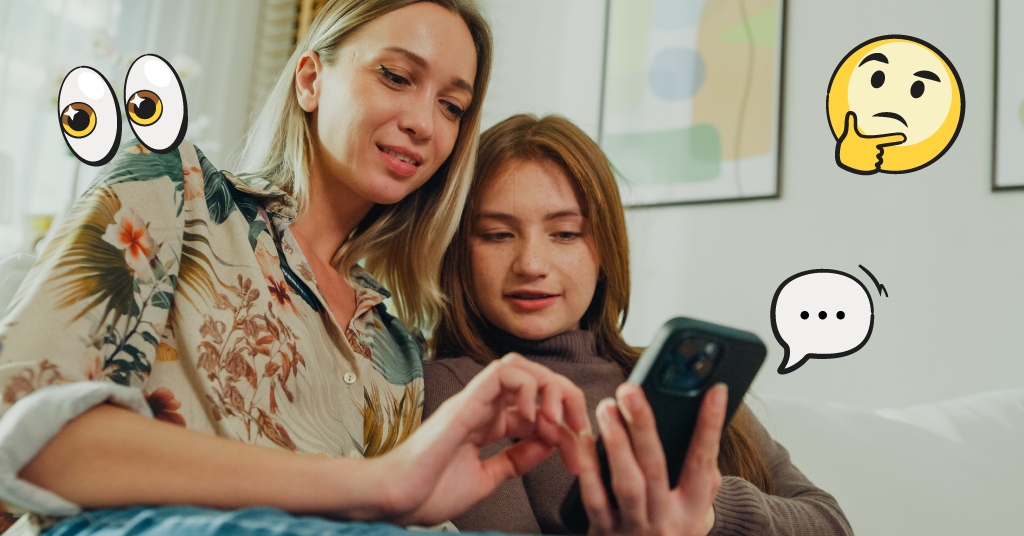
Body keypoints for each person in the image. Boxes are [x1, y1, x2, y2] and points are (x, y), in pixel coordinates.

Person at [0, 3, 592, 535]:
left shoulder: (396, 348)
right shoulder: (175, 186)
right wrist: (374, 487)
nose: (424, 123)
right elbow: (22, 427)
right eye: (395, 76)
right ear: (310, 80)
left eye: (452, 106)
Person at [423, 114, 856, 535]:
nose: (531, 264)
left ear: (605, 248)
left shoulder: (676, 371)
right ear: (459, 250)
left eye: (566, 233)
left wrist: (703, 512)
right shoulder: (456, 386)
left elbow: (831, 523)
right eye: (498, 234)